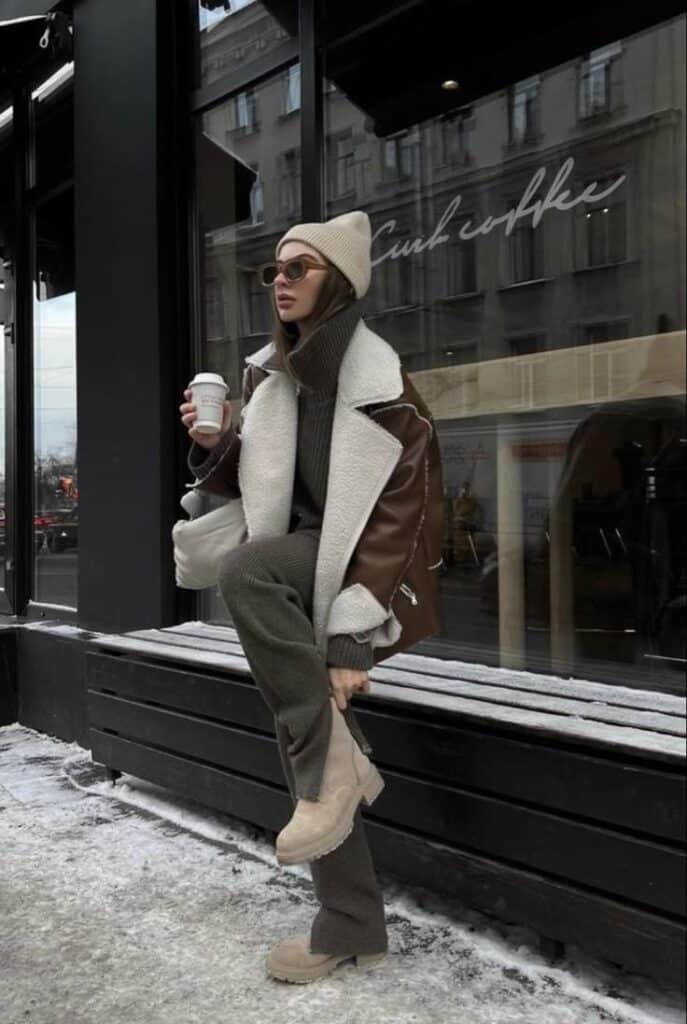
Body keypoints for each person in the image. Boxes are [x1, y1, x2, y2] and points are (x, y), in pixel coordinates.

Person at [178, 210, 445, 984]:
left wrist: (352, 639)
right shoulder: (270, 378)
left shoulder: (391, 398)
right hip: (298, 563)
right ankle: (350, 922)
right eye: (274, 270)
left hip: (368, 579)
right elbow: (258, 486)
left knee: (308, 729)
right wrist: (215, 446)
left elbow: (407, 528)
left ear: (341, 282)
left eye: (300, 268)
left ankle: (344, 898)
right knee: (315, 744)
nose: (281, 282)